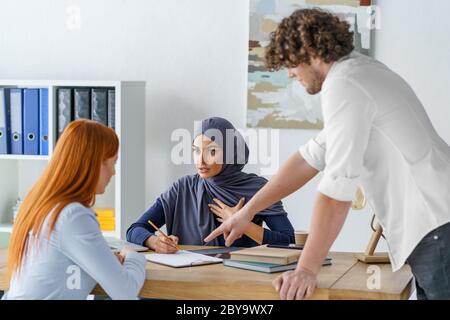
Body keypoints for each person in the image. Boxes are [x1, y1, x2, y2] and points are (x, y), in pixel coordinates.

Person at [205, 8, 450, 300]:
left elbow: (336, 190)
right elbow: (310, 158)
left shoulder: (345, 83)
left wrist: (307, 269)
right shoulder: (358, 72)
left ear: (310, 50)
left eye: (291, 63)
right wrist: (247, 212)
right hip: (436, 225)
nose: (289, 73)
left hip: (437, 227)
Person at [3, 119, 146, 300]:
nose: (113, 172)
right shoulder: (72, 215)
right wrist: (133, 256)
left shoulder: (41, 204)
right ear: (94, 163)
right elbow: (126, 291)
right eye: (112, 163)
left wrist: (104, 260)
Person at [127, 117, 295, 253]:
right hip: (189, 277)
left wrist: (243, 224)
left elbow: (289, 241)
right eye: (196, 150)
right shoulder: (182, 188)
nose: (201, 160)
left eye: (212, 151)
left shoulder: (257, 188)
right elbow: (135, 229)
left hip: (239, 279)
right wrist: (155, 241)